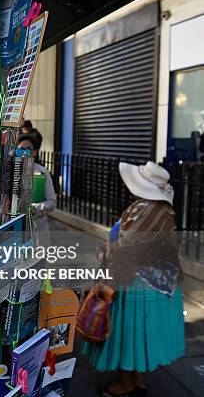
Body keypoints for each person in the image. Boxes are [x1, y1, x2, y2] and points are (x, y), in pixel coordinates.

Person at [82, 161, 184, 397]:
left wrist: (105, 251)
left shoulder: (150, 211)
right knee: (139, 334)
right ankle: (137, 381)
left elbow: (129, 247)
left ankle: (126, 384)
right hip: (151, 279)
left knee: (125, 331)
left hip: (137, 280)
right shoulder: (158, 208)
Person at [17, 132, 56, 246]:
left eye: (28, 149)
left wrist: (35, 208)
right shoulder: (11, 173)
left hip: (38, 229)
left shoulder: (43, 173)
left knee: (39, 262)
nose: (24, 153)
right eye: (21, 149)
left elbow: (52, 202)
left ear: (34, 152)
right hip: (18, 233)